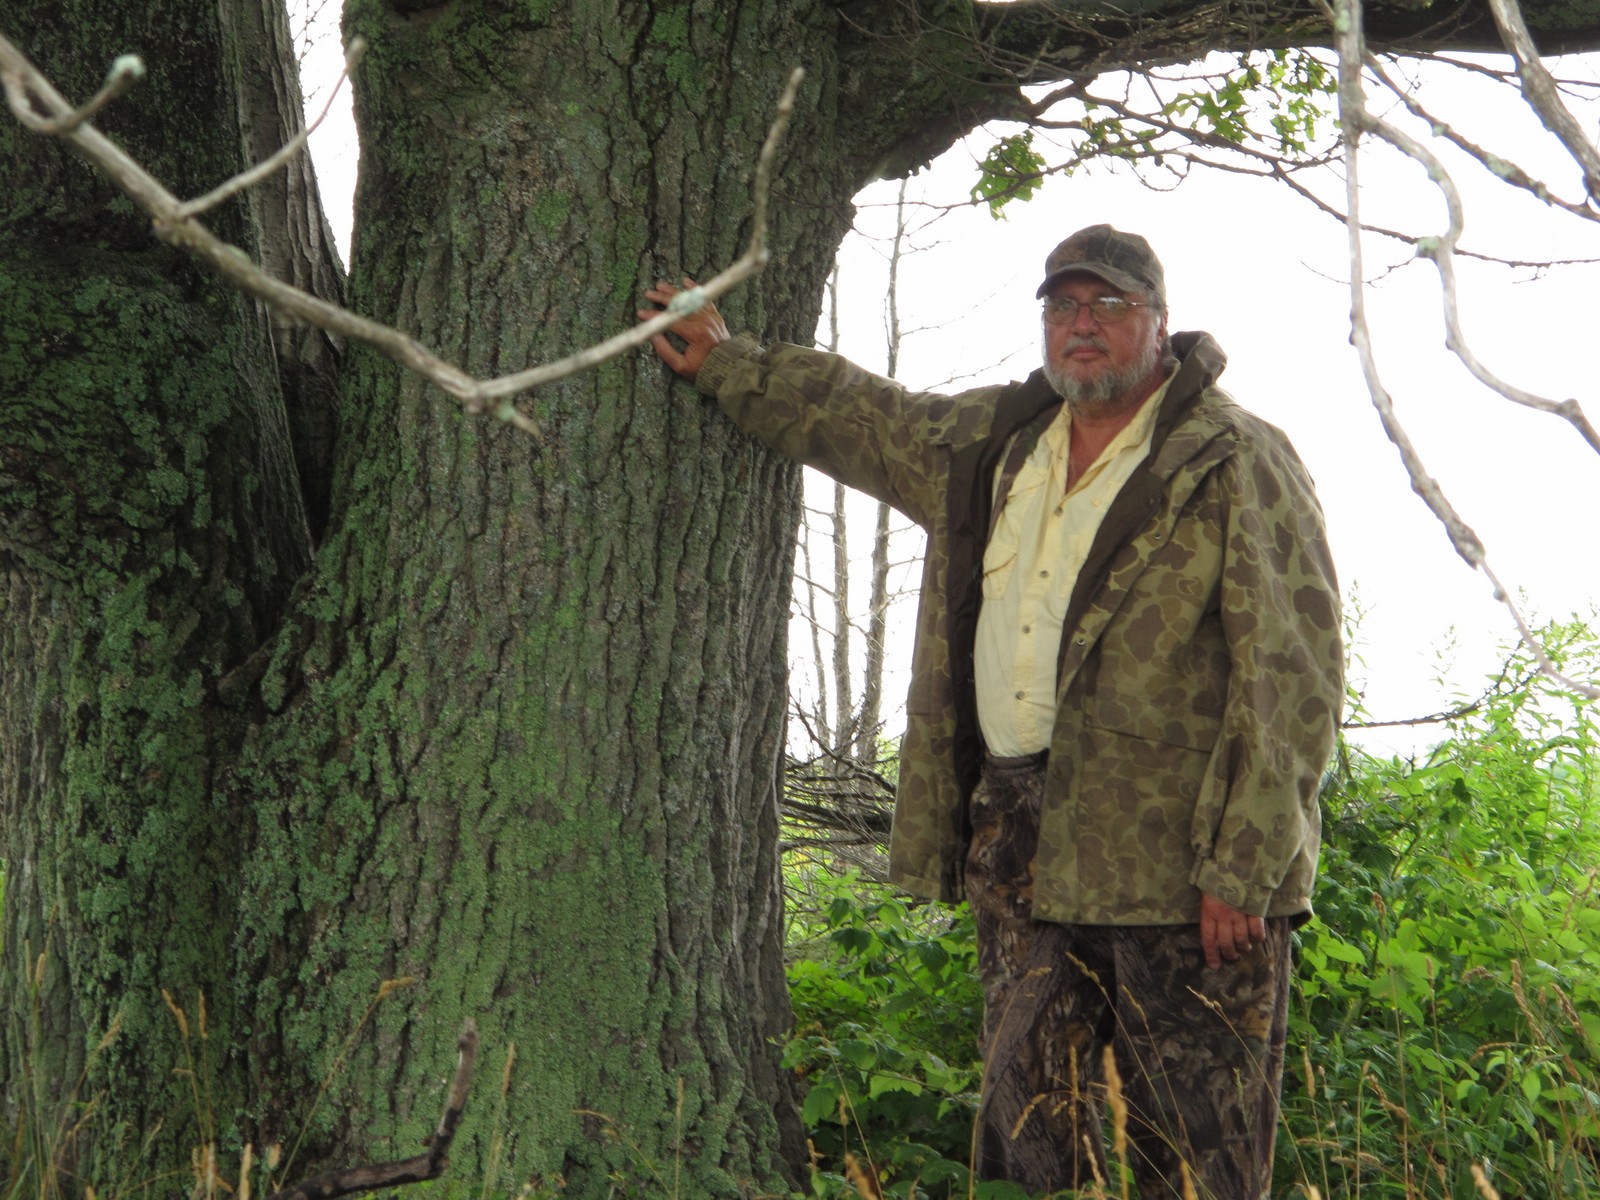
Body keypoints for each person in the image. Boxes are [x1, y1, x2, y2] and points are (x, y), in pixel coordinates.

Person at [639, 225, 1343, 1199]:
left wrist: (1247, 867)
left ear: (1159, 324)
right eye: (1063, 305)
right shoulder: (995, 444)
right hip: (1020, 852)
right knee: (1025, 1142)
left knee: (1196, 1160)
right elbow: (864, 418)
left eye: (1108, 305)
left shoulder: (1230, 458)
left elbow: (1292, 670)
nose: (1082, 324)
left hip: (1184, 871)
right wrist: (726, 361)